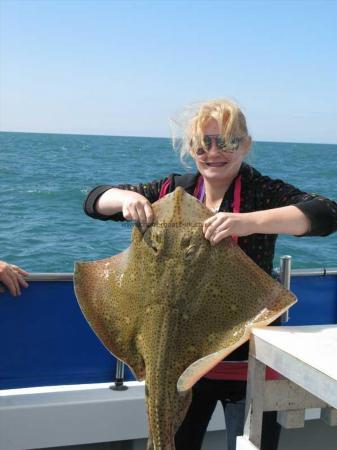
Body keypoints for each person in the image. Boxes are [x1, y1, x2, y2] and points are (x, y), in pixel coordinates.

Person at [83, 98, 337, 450]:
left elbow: (326, 214)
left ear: (245, 145)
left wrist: (246, 223)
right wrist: (123, 198)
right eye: (203, 143)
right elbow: (94, 200)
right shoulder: (171, 193)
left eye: (227, 141)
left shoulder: (261, 192)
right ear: (191, 148)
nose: (213, 152)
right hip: (176, 368)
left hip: (248, 365)